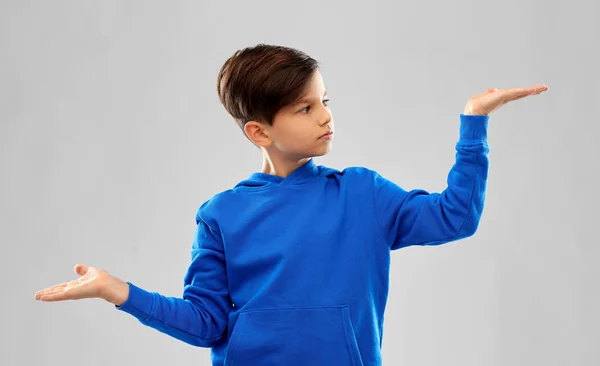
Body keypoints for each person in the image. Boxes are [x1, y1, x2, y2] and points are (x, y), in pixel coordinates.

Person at [34, 44, 549, 366]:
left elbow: (454, 217)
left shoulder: (363, 194)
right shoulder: (221, 214)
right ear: (259, 130)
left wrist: (474, 122)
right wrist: (117, 290)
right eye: (305, 107)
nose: (325, 116)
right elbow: (206, 322)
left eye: (325, 99)